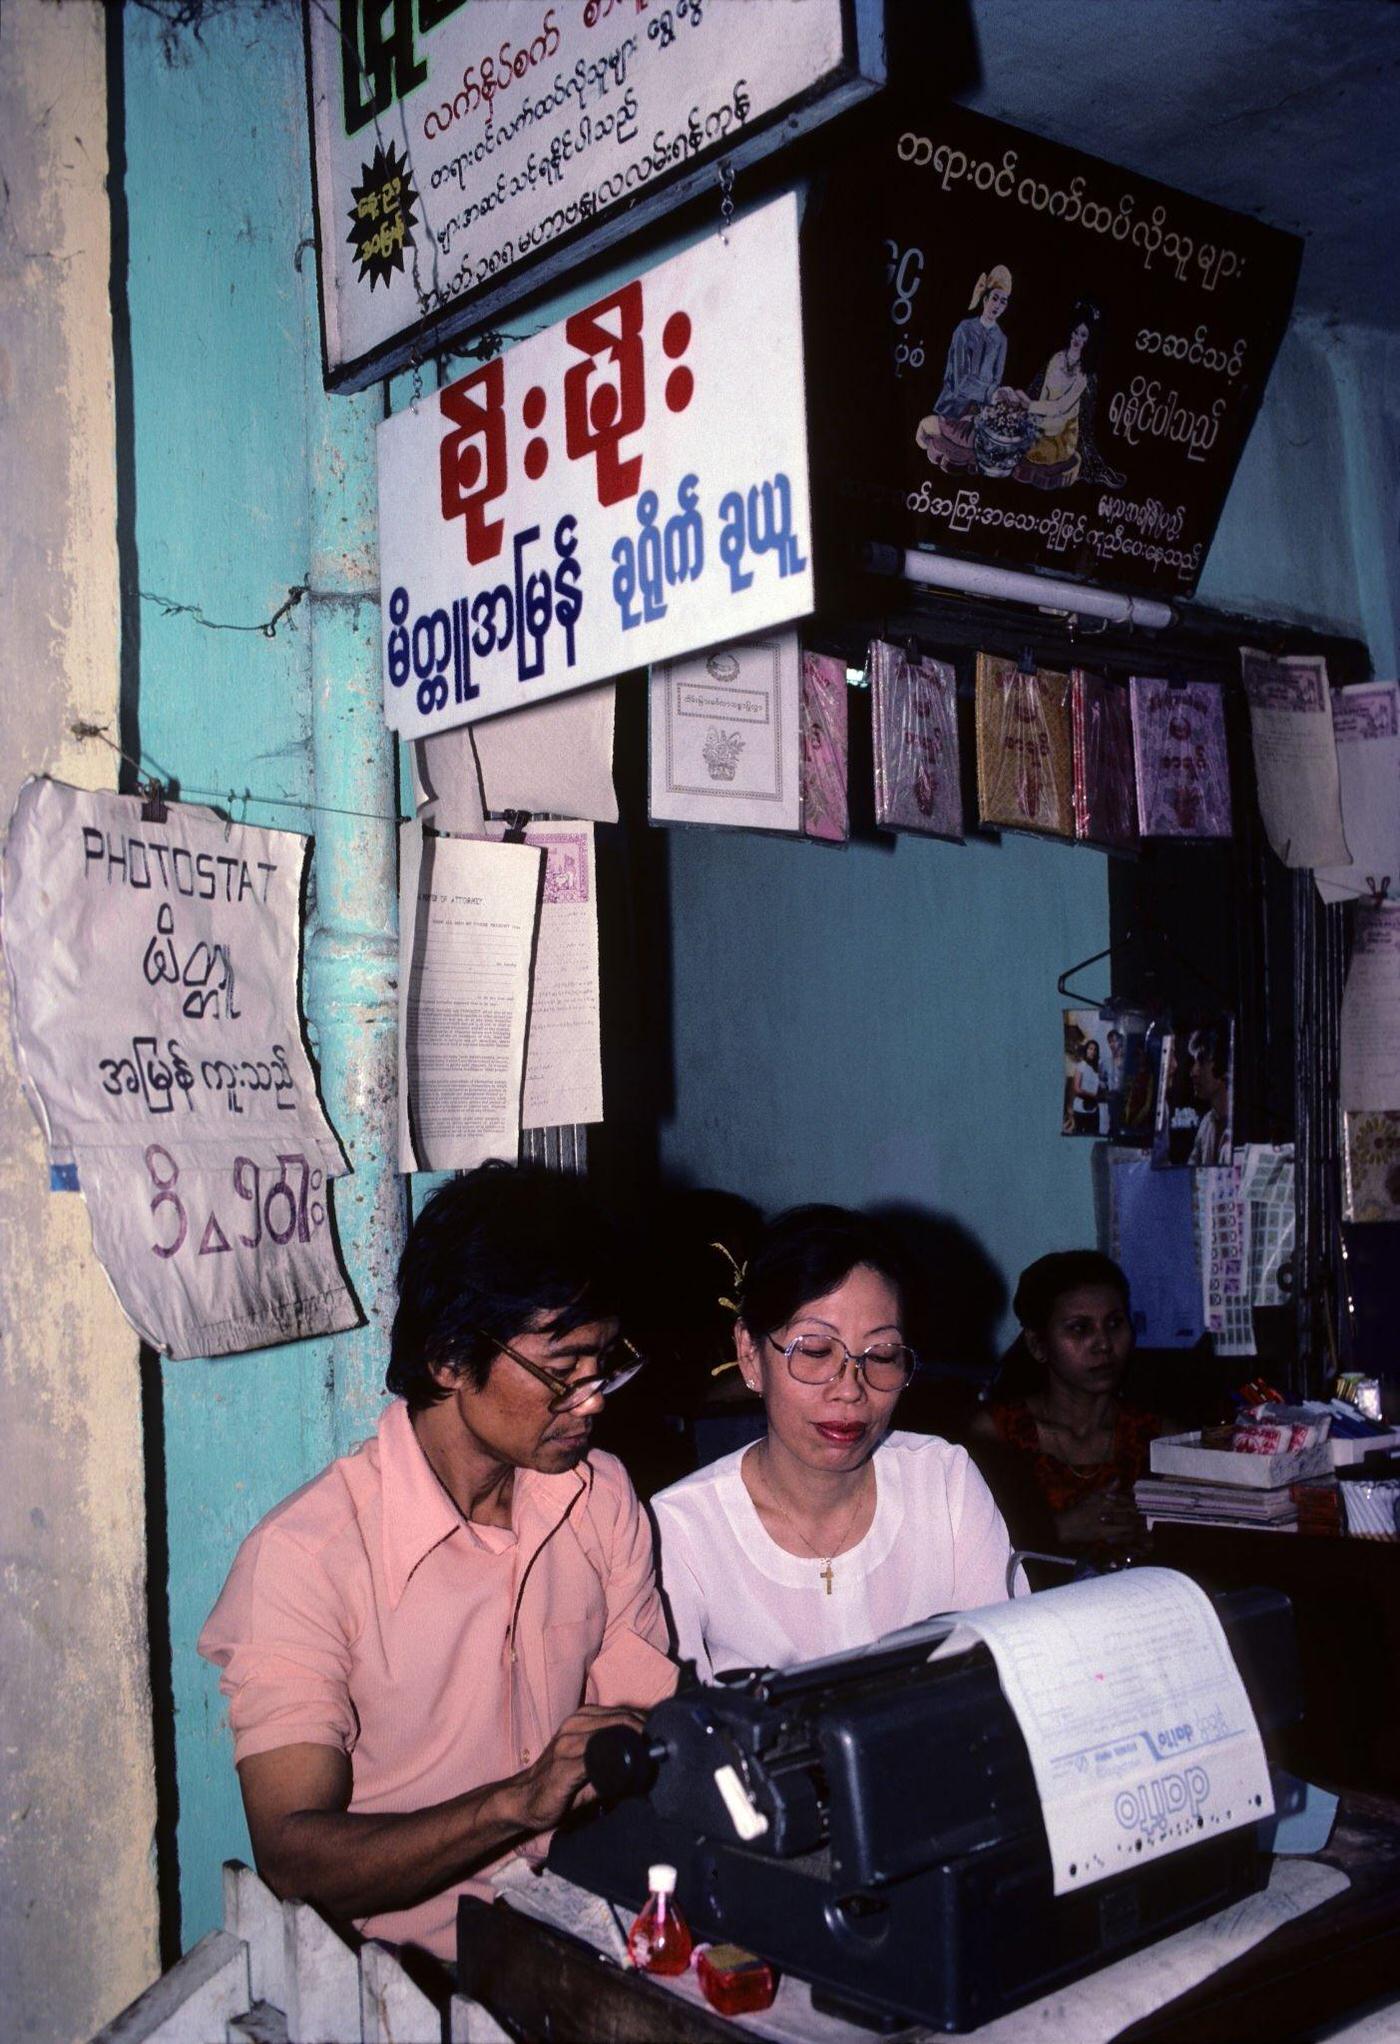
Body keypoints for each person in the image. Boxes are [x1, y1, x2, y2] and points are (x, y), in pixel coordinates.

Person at [198, 1162, 676, 1962]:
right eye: (562, 1372)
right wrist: (515, 1805)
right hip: (406, 1984)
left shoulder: (597, 1500)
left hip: (587, 1941)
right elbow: (292, 1858)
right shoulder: (307, 1558)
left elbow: (645, 1736)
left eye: (604, 1366)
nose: (592, 1402)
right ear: (450, 1358)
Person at [651, 1205, 1017, 1679]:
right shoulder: (682, 1529)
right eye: (816, 1351)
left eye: (882, 1356)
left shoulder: (944, 1482)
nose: (850, 1389)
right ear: (749, 1354)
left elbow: (1007, 1673)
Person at [966, 1251, 1175, 1553]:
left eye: (1115, 1323)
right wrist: (1060, 1528)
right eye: (1080, 1328)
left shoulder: (1161, 1438)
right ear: (1038, 1345)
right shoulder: (997, 1435)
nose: (1103, 1344)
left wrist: (1153, 1540)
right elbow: (969, 1551)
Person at [915, 264, 1015, 474]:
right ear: (985, 299)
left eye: (1003, 301)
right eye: (995, 298)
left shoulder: (1001, 339)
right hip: (954, 405)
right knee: (950, 450)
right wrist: (990, 393)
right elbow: (961, 381)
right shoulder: (965, 330)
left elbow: (996, 379)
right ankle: (933, 429)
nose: (997, 305)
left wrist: (993, 399)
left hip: (980, 412)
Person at [1187, 1025, 1232, 1166]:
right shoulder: (1206, 1123)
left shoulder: (1244, 1127)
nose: (1193, 1072)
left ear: (1221, 1065)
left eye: (1200, 1062)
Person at [1069, 1034, 1104, 1136]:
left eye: (1095, 1049)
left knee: (1093, 1134)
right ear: (1086, 1050)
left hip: (1093, 1109)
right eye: (1090, 1048)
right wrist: (1093, 1096)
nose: (1093, 1051)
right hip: (1080, 1107)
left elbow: (1098, 1088)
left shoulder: (1097, 1069)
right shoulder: (1081, 1066)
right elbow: (1076, 1088)